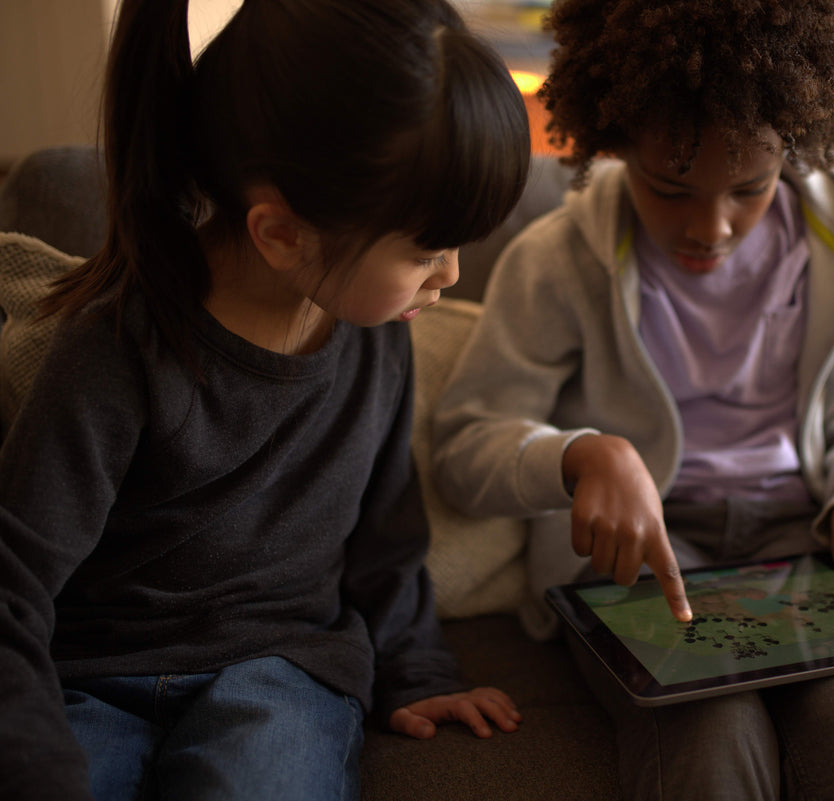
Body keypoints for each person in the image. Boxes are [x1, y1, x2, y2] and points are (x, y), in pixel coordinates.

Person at [0, 0, 531, 799]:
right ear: (281, 233)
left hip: (281, 670)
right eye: (427, 252)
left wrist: (417, 671)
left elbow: (386, 535)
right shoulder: (115, 346)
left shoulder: (379, 334)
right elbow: (14, 576)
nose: (451, 275)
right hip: (94, 675)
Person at [432, 1, 834, 799]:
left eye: (750, 188)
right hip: (638, 549)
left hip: (797, 537)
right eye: (671, 187)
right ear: (617, 140)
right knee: (707, 713)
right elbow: (465, 443)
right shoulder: (559, 259)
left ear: (790, 148)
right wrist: (581, 454)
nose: (713, 228)